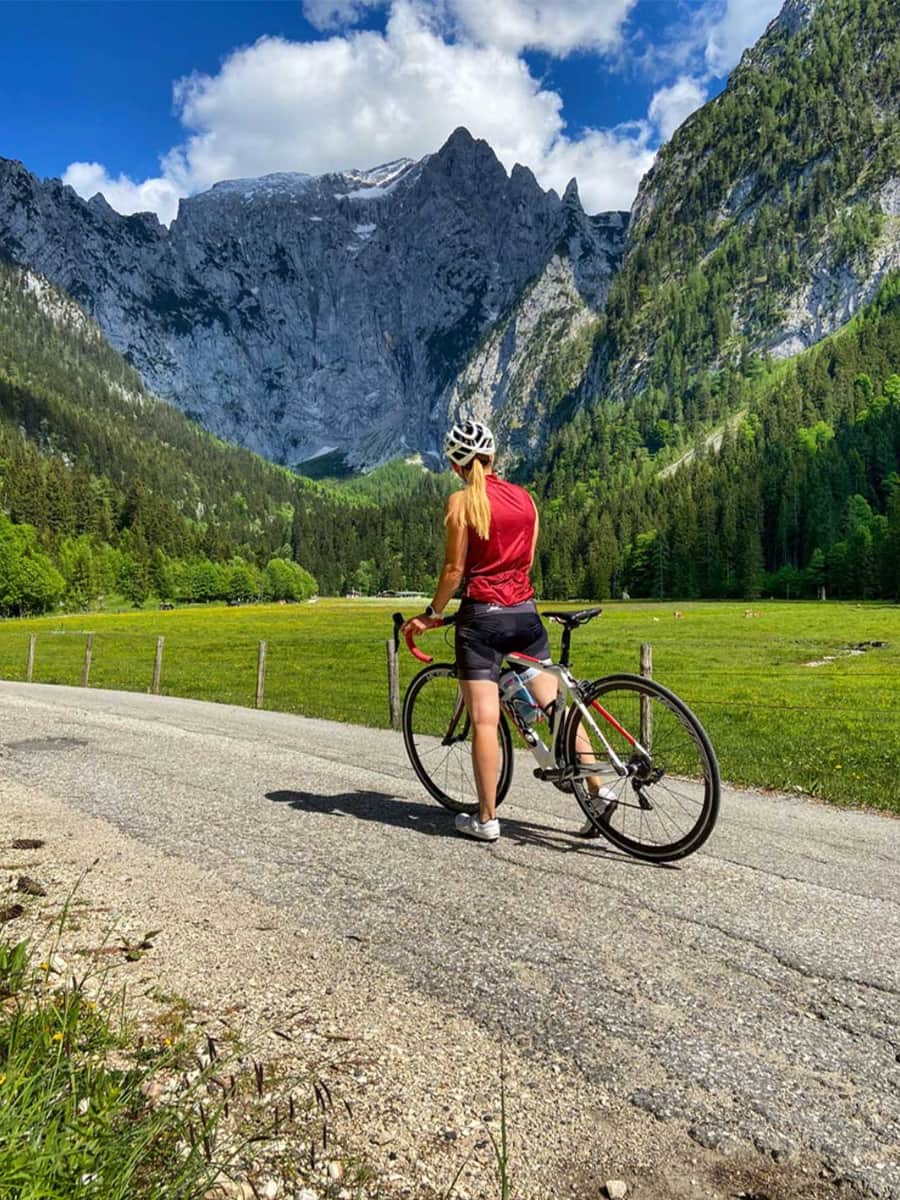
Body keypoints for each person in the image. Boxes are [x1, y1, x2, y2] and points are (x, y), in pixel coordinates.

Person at [402, 418, 561, 842]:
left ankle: (487, 818)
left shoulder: (461, 503)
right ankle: (599, 790)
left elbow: (454, 570)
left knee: (485, 719)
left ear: (455, 466)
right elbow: (525, 563)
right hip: (525, 613)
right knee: (555, 707)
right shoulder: (526, 499)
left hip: (482, 621)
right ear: (493, 457)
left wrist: (431, 613)